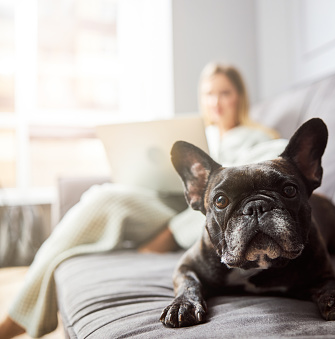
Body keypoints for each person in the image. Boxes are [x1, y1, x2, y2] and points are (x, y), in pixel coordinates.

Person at [0, 62, 287, 339]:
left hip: (194, 217)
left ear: (240, 96)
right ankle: (21, 307)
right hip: (167, 202)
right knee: (101, 197)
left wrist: (171, 233)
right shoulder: (202, 135)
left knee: (106, 204)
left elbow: (265, 175)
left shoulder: (257, 138)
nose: (217, 101)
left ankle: (14, 320)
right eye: (209, 94)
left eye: (225, 92)